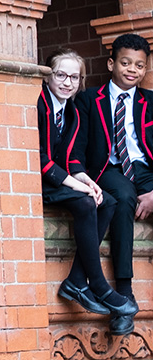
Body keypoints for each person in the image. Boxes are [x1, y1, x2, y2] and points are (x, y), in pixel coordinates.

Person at [38, 48, 138, 327]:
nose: (67, 82)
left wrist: (88, 182)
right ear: (48, 76)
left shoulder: (74, 108)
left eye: (74, 77)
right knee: (85, 203)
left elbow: (72, 156)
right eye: (60, 75)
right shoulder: (40, 104)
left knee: (106, 199)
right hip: (36, 180)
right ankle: (98, 285)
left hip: (59, 178)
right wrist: (74, 185)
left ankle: (76, 281)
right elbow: (40, 158)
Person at [73, 33, 153, 335]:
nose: (132, 70)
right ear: (111, 63)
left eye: (140, 66)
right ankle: (124, 292)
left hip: (145, 168)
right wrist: (80, 175)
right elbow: (78, 146)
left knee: (131, 190)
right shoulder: (88, 99)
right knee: (121, 196)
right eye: (125, 63)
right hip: (107, 167)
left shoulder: (151, 101)